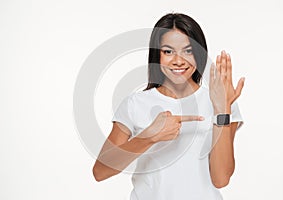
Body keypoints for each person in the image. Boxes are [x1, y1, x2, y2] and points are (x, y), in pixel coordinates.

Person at [93, 13, 245, 200]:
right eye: (168, 51)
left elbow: (221, 179)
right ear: (157, 54)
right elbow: (100, 172)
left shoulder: (220, 101)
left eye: (188, 51)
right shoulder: (135, 104)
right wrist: (149, 136)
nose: (178, 61)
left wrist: (222, 110)